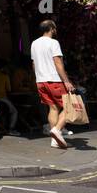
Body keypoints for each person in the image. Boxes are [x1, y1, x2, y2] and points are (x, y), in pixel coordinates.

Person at [32, 19, 76, 149]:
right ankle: (57, 130)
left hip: (41, 81)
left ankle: (54, 140)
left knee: (53, 108)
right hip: (54, 80)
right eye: (54, 28)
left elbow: (34, 64)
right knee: (69, 107)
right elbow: (58, 62)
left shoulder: (34, 43)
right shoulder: (53, 42)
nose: (55, 30)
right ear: (51, 28)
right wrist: (66, 81)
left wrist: (39, 77)